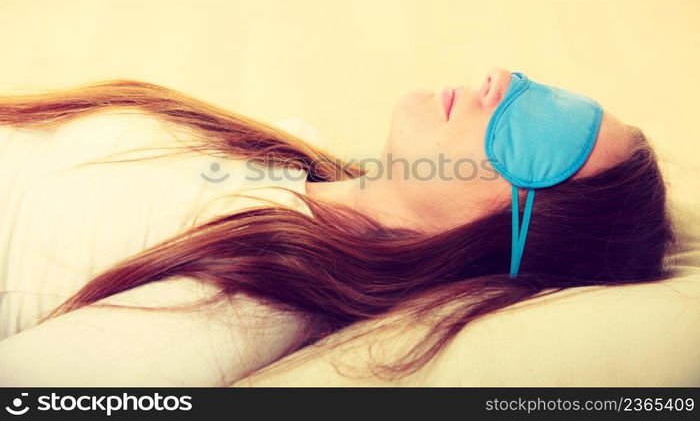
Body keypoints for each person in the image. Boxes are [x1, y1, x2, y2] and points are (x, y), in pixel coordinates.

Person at [0, 67, 676, 386]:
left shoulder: (254, 297)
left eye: (538, 130)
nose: (499, 80)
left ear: (513, 233)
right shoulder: (289, 156)